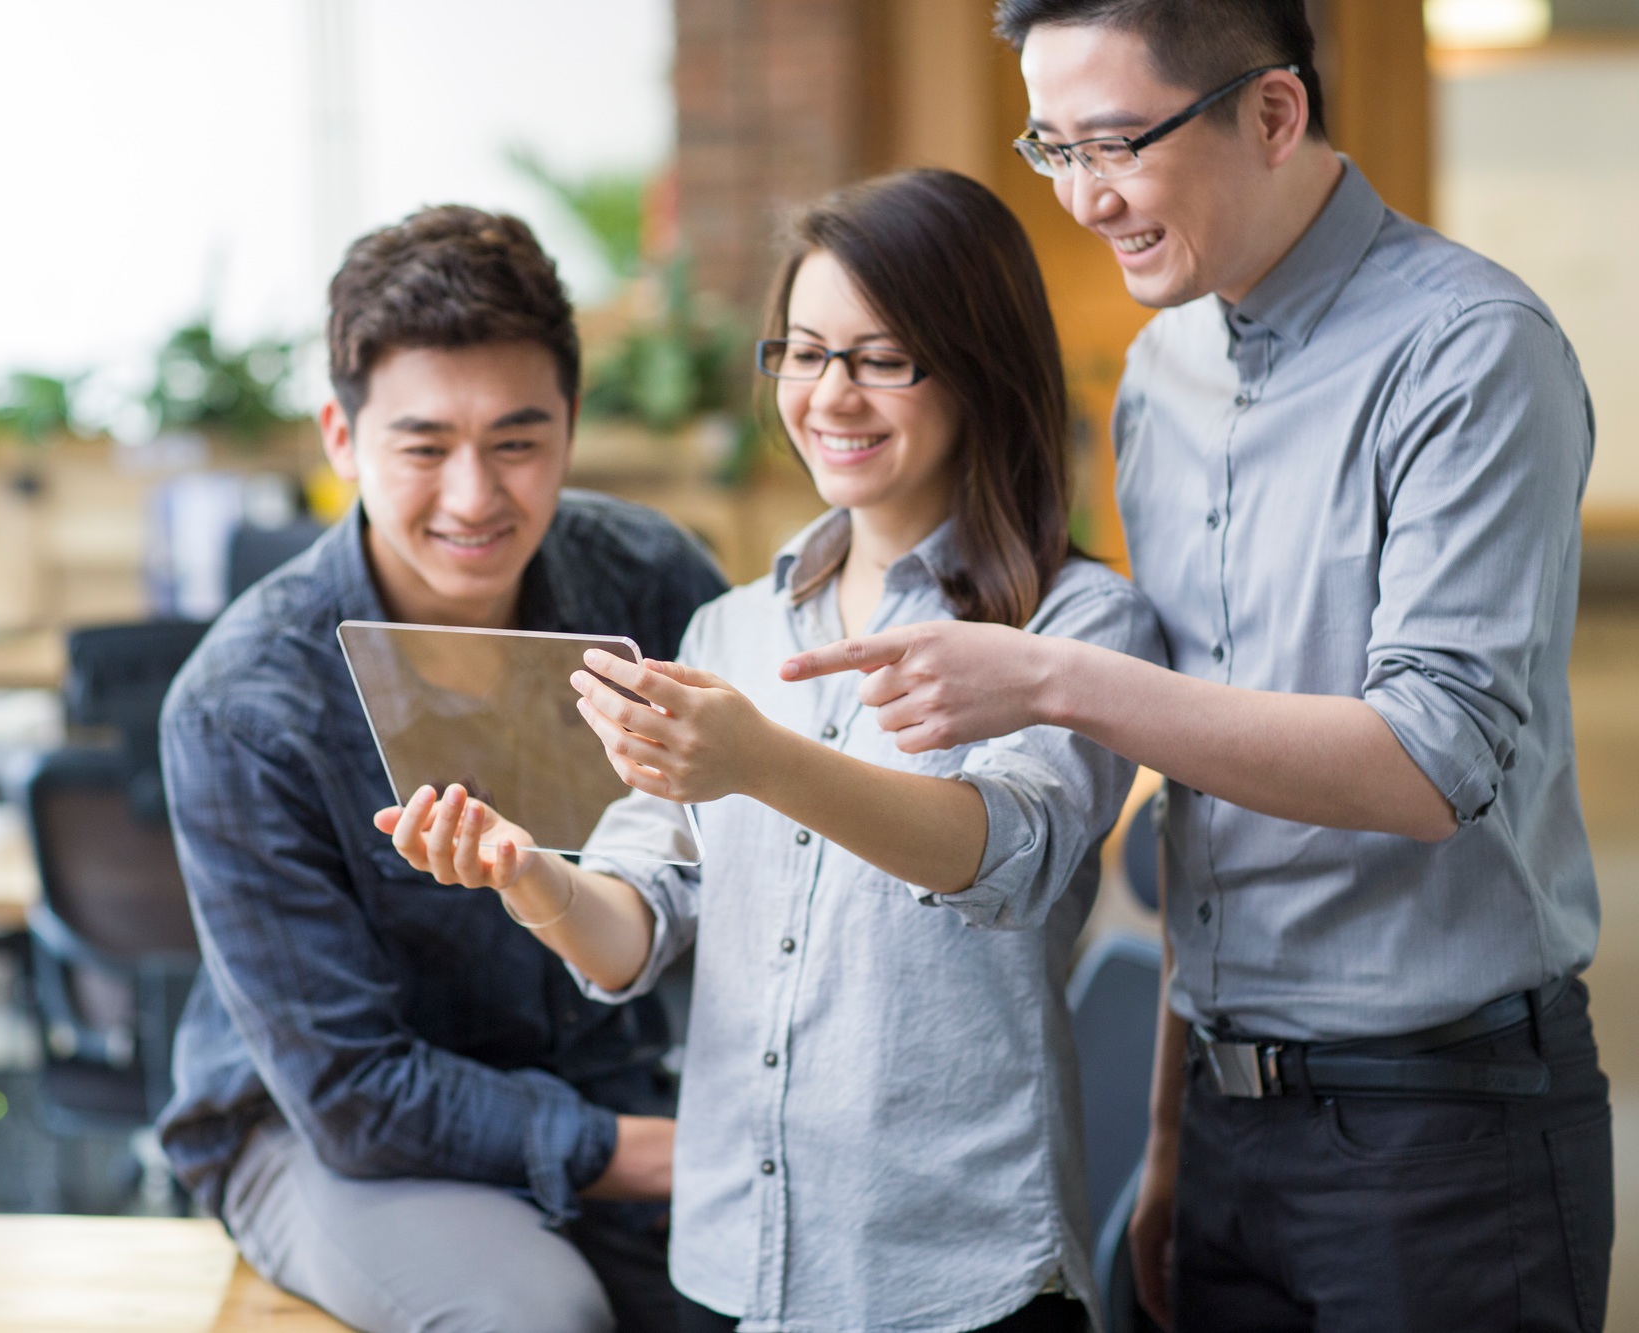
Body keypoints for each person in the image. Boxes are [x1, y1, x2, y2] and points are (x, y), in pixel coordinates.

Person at [781, 5, 1610, 1330]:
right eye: (1051, 147)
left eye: (1114, 144)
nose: (1084, 198)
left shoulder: (1470, 352)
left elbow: (1428, 760)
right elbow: (1202, 801)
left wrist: (1052, 679)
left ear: (1273, 114)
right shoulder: (1163, 378)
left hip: (1440, 1134)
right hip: (1229, 1127)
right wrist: (1170, 1138)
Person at [378, 169, 1166, 1333]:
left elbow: (1005, 854)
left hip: (956, 1272)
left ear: (976, 363)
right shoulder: (727, 630)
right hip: (736, 1264)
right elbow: (633, 925)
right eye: (801, 353)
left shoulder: (1076, 626)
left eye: (880, 356)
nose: (829, 395)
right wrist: (526, 876)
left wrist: (760, 761)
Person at [154, 205, 727, 1333]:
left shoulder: (651, 583)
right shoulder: (241, 705)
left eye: (517, 442)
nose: (474, 498)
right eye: (422, 447)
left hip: (613, 1083)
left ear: (569, 423)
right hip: (325, 1128)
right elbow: (352, 1092)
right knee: (534, 1319)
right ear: (339, 437)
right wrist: (674, 1152)